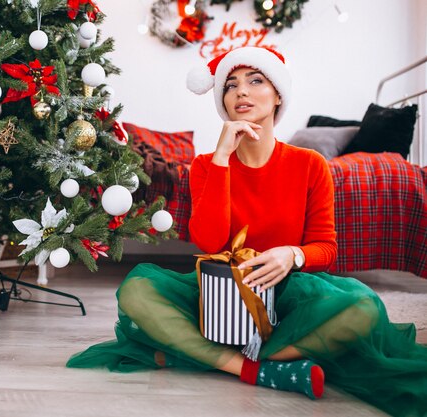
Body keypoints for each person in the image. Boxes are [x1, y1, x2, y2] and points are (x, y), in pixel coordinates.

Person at [67, 46, 427, 417]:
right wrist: (222, 159)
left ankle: (208, 356)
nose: (241, 92)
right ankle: (256, 368)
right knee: (137, 290)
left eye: (256, 81)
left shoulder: (311, 165)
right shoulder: (206, 165)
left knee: (363, 308)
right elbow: (208, 241)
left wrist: (292, 254)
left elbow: (326, 248)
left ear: (277, 97)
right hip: (219, 296)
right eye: (231, 85)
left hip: (288, 296)